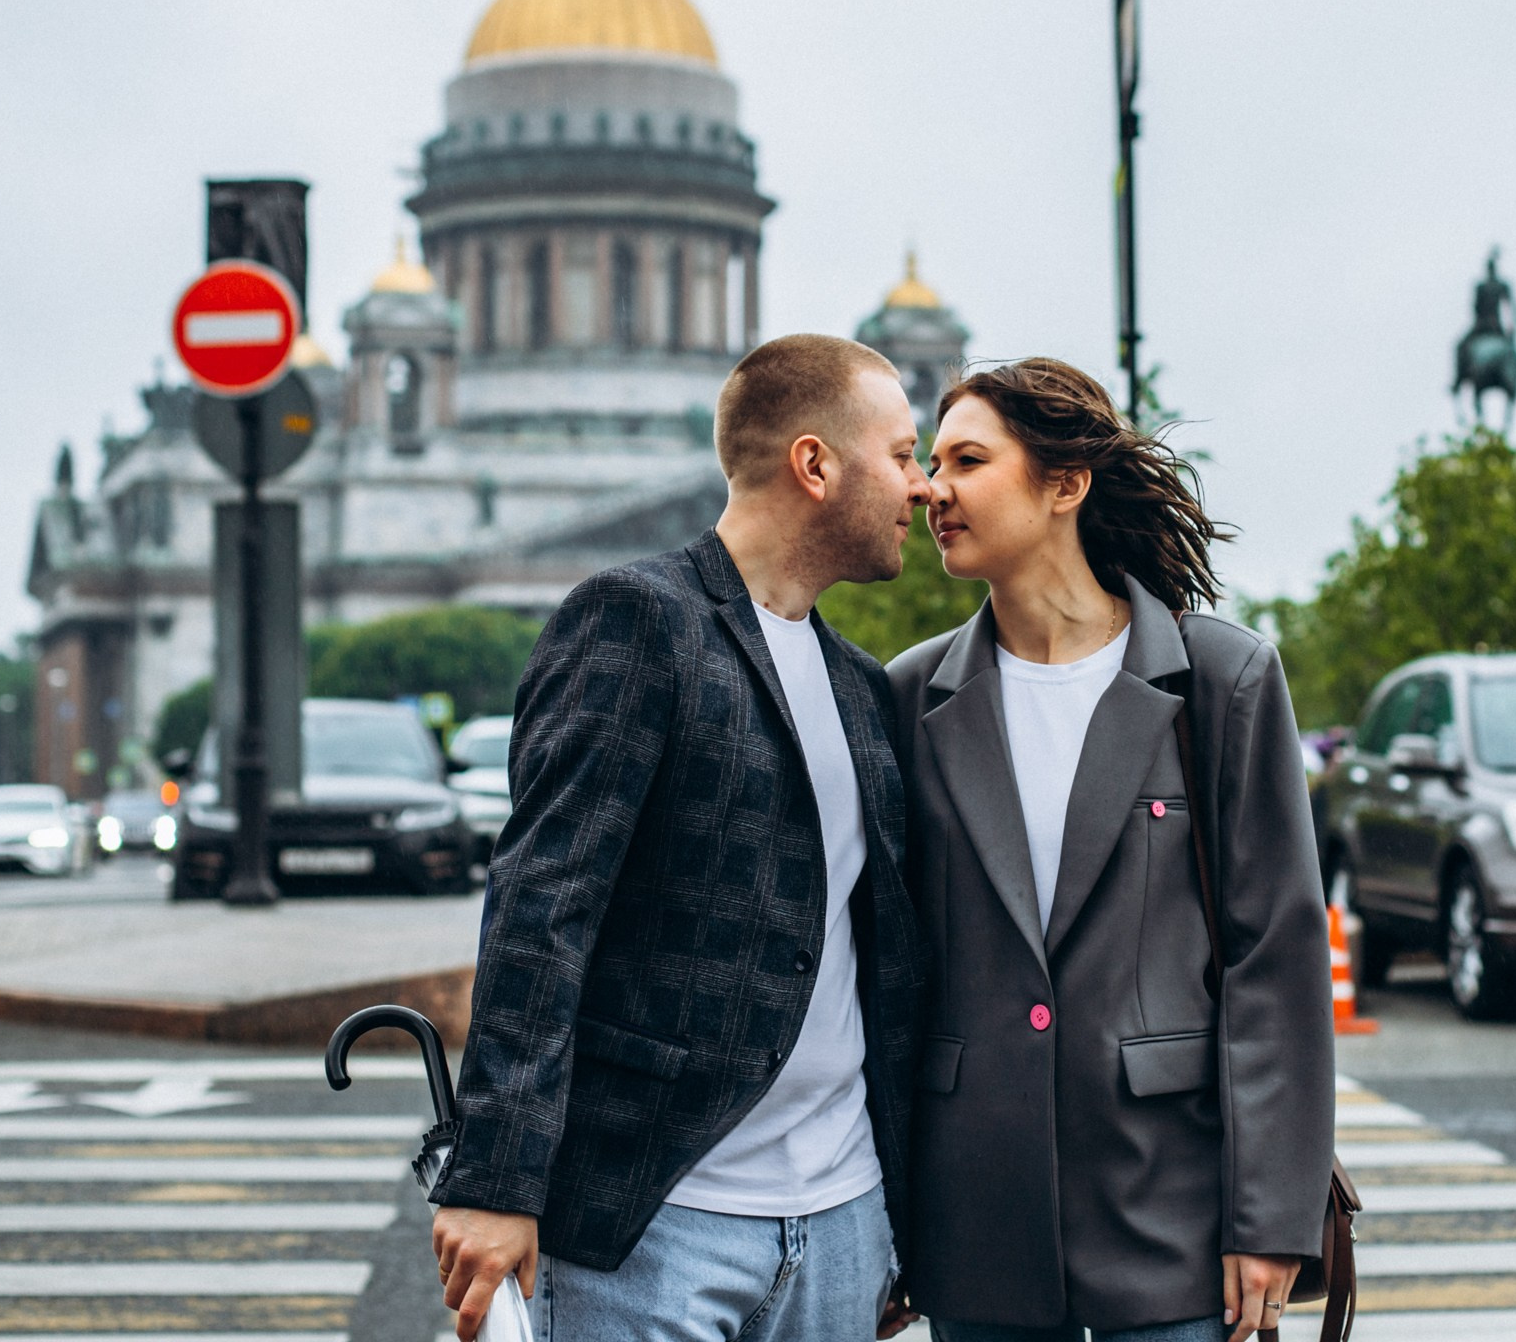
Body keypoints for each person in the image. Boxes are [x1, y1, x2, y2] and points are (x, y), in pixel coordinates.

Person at [429, 334, 932, 1342]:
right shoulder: (636, 621)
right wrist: (496, 1176)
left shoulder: (862, 683)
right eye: (906, 453)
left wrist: (901, 1218)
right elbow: (542, 909)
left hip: (839, 1218)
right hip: (655, 1220)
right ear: (815, 464)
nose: (921, 489)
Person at [885, 359, 1335, 1342]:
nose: (931, 488)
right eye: (931, 463)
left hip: (1169, 1214)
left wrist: (1269, 1217)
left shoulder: (1222, 677)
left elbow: (1276, 958)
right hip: (974, 1221)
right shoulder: (911, 697)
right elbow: (890, 970)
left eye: (968, 459)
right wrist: (886, 1223)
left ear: (1065, 482)